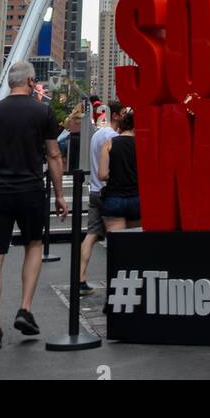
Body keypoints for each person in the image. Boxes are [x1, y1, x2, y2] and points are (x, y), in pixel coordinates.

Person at [0, 61, 67, 350]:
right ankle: (25, 308)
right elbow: (53, 155)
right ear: (29, 80)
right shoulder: (43, 111)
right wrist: (60, 194)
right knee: (33, 245)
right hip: (30, 190)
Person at [80, 99, 123, 293]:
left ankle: (80, 278)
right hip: (109, 192)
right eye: (122, 113)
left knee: (91, 235)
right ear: (115, 115)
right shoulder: (113, 137)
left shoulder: (97, 135)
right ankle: (117, 281)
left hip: (95, 191)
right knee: (116, 238)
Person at [97, 109, 139, 232]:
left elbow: (102, 174)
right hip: (136, 198)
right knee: (136, 242)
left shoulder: (109, 144)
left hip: (113, 198)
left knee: (116, 244)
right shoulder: (141, 144)